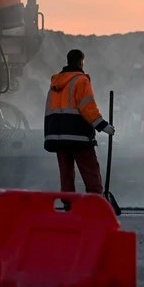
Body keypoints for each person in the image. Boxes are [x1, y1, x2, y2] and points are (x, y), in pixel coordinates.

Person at [44, 49, 116, 197]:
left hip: (58, 137)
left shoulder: (55, 84)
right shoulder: (81, 81)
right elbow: (87, 107)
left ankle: (69, 204)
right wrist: (102, 125)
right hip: (78, 136)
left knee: (66, 175)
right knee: (91, 172)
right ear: (80, 62)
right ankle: (95, 203)